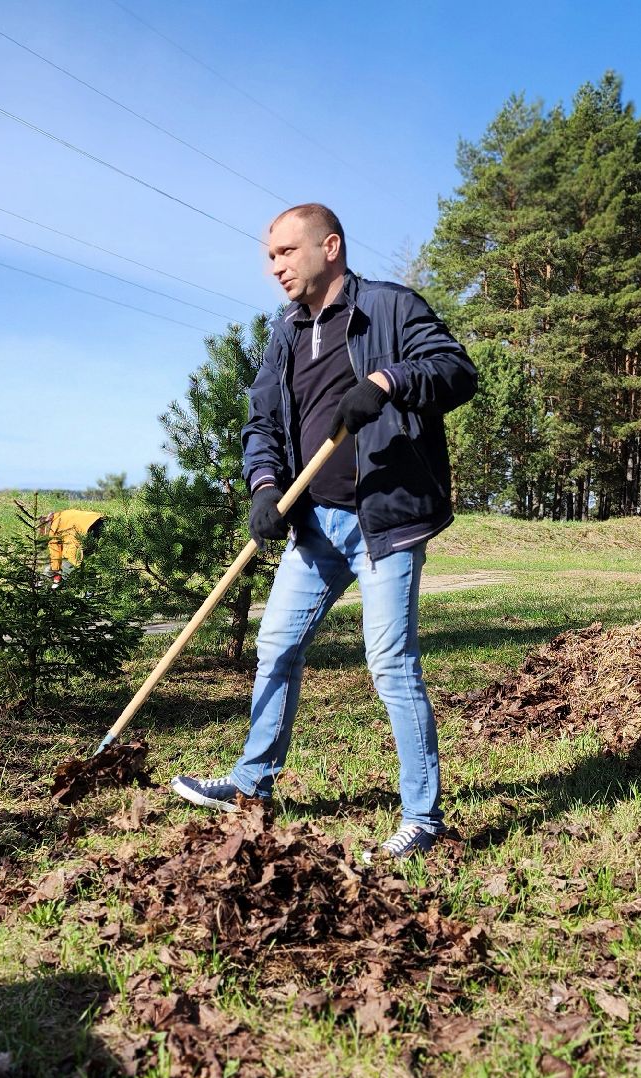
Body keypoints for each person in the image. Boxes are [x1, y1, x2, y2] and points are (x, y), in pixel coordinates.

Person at [169, 203, 477, 862]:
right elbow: (261, 425)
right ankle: (252, 784)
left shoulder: (390, 309)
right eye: (270, 256)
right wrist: (263, 489)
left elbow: (455, 370)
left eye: (284, 251)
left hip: (383, 519)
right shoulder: (283, 334)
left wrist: (390, 380)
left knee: (390, 664)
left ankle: (422, 819)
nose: (274, 266)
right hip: (315, 525)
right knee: (276, 646)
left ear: (329, 246)